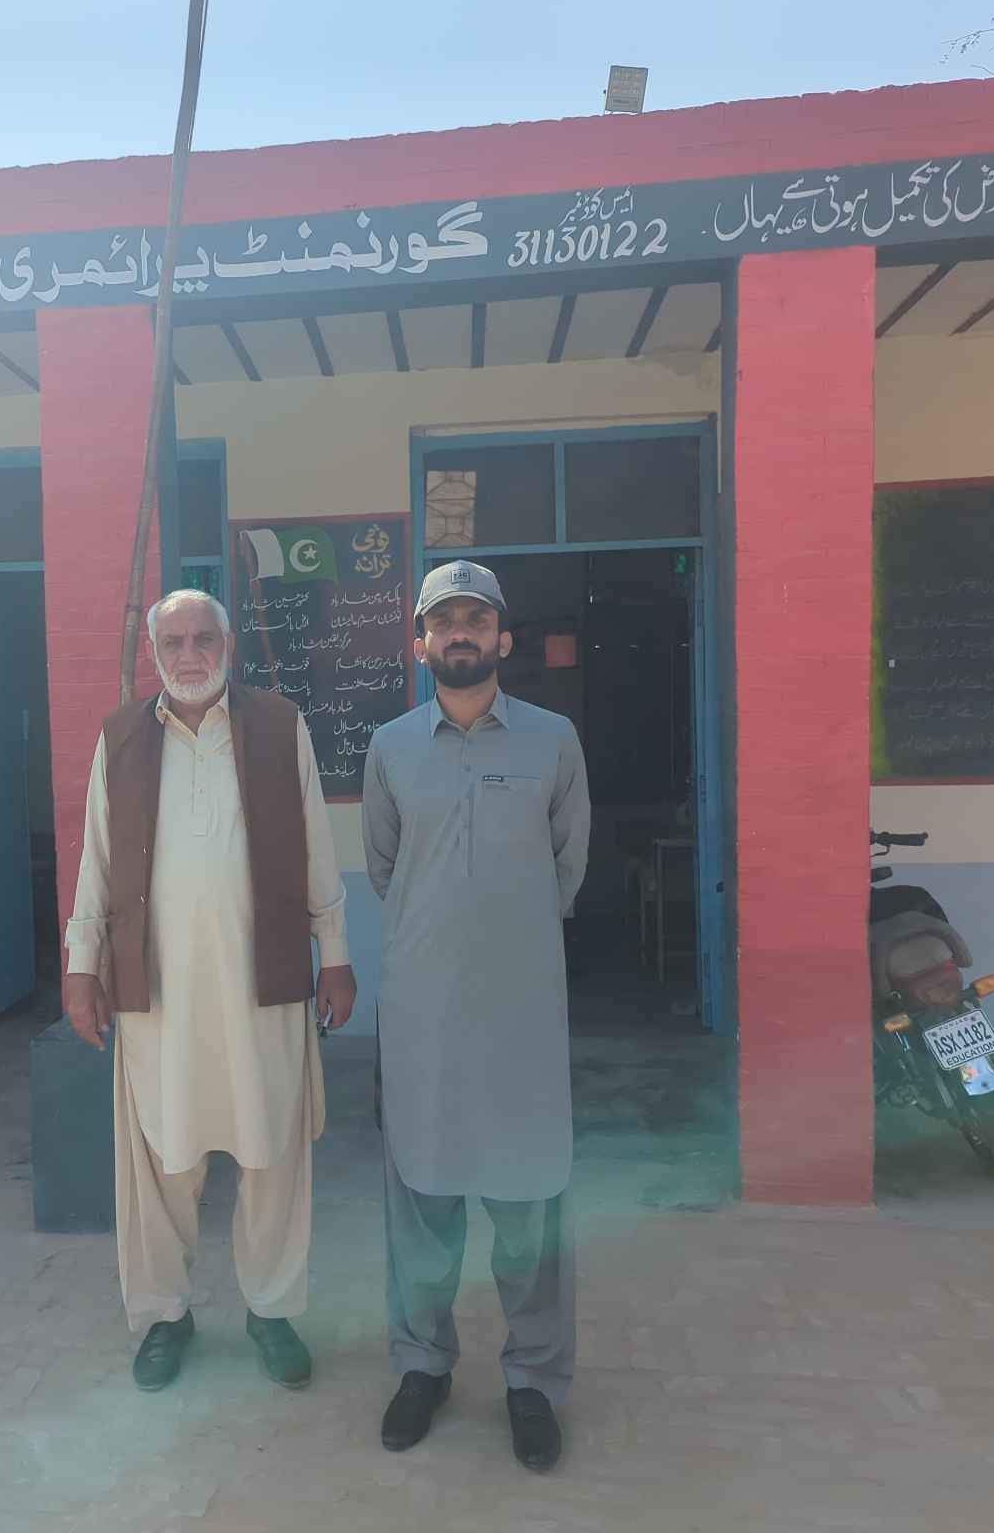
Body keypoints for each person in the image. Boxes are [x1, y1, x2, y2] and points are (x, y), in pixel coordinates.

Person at [63, 587, 358, 1392]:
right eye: (174, 643)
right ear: (153, 653)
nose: (189, 655)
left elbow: (316, 843)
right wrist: (81, 965)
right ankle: (164, 1315)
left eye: (204, 639)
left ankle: (272, 1309)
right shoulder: (121, 736)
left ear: (228, 646)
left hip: (264, 980)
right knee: (159, 1158)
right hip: (157, 991)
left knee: (274, 1151)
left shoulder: (280, 726)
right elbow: (96, 857)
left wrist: (335, 952)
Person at [360, 559, 590, 1473]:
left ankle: (533, 1380)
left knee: (531, 1207)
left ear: (502, 637)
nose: (460, 632)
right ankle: (422, 1366)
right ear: (420, 644)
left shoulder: (553, 741)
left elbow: (567, 866)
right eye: (443, 620)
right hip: (424, 1018)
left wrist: (506, 934)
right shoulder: (390, 747)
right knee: (421, 1202)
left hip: (523, 1016)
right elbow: (385, 869)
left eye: (476, 618)